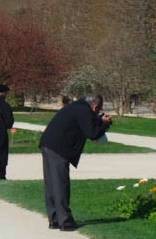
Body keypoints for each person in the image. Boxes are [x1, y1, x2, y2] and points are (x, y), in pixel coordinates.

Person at [39, 94, 112, 231]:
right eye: (98, 109)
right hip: (58, 148)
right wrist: (105, 123)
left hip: (48, 144)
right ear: (95, 106)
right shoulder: (84, 110)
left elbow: (84, 122)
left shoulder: (77, 106)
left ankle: (54, 219)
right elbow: (92, 133)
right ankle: (65, 222)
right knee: (61, 184)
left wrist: (98, 120)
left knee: (51, 183)